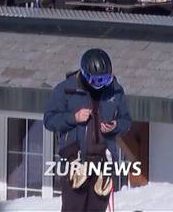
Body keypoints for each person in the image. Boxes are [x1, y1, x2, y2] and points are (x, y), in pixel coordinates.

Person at [43, 48, 131, 212]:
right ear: (84, 74)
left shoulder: (115, 91)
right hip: (74, 162)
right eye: (95, 80)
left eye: (104, 79)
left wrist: (115, 126)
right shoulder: (65, 90)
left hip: (103, 163)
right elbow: (49, 120)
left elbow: (126, 121)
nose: (99, 85)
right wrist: (73, 118)